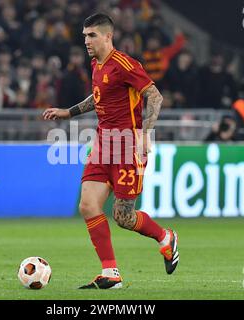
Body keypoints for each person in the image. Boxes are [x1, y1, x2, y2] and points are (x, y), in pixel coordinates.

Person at [43, 13, 179, 289]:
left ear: (108, 36)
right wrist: (68, 112)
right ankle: (110, 273)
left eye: (92, 35)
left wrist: (144, 134)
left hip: (127, 146)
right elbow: (99, 96)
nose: (86, 41)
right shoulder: (96, 64)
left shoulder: (125, 64)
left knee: (123, 217)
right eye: (84, 36)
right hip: (103, 144)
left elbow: (154, 96)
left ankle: (166, 237)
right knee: (88, 205)